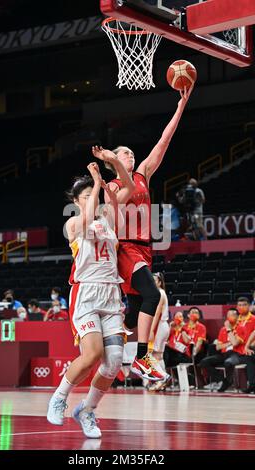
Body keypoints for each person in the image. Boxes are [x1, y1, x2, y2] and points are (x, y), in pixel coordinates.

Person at [92, 85, 193, 381]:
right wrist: (109, 163)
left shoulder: (143, 174)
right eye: (125, 154)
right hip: (125, 249)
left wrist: (181, 106)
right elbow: (113, 208)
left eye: (133, 153)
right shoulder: (112, 187)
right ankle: (141, 358)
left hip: (144, 249)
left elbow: (165, 139)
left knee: (134, 313)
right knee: (152, 294)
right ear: (114, 159)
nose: (131, 156)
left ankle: (103, 338)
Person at [47, 158, 134, 438]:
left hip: (111, 293)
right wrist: (96, 182)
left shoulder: (107, 221)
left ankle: (87, 409)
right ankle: (59, 397)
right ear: (76, 201)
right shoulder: (73, 223)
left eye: (93, 197)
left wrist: (113, 165)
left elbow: (128, 190)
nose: (92, 201)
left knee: (114, 361)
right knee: (93, 354)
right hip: (86, 292)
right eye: (86, 197)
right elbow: (85, 221)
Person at [218, 297, 255, 393]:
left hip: (251, 350)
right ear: (237, 307)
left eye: (244, 305)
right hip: (237, 352)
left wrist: (250, 347)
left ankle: (253, 385)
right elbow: (234, 341)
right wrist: (229, 329)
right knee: (227, 362)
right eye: (240, 305)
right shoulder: (237, 321)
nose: (242, 307)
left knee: (249, 357)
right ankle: (228, 381)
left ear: (249, 306)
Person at [200, 308, 242, 390]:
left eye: (232, 315)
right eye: (228, 315)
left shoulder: (241, 327)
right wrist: (229, 343)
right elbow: (218, 347)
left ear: (238, 316)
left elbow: (235, 344)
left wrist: (227, 342)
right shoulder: (223, 329)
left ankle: (230, 382)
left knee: (228, 362)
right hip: (223, 354)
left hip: (235, 353)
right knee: (204, 362)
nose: (230, 317)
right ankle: (223, 380)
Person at [148, 272, 170, 390]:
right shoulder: (162, 293)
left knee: (152, 355)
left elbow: (157, 313)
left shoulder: (159, 293)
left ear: (160, 282)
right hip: (163, 326)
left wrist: (151, 330)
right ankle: (162, 382)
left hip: (159, 326)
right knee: (159, 356)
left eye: (154, 280)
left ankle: (161, 378)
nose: (152, 281)